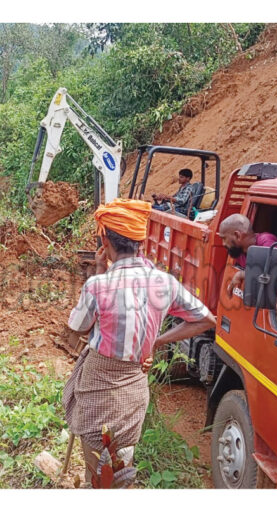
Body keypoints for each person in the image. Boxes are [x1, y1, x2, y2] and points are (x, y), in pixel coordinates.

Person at [63, 198, 216, 486]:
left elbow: (78, 326)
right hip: (134, 385)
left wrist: (97, 271)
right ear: (141, 242)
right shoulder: (164, 282)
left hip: (99, 382)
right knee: (122, 463)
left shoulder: (98, 285)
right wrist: (156, 342)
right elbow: (206, 319)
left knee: (97, 465)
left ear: (104, 239)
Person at [217, 213, 277, 331]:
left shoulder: (266, 242)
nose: (223, 244)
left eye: (224, 238)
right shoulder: (239, 251)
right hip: (266, 307)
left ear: (238, 236)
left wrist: (242, 274)